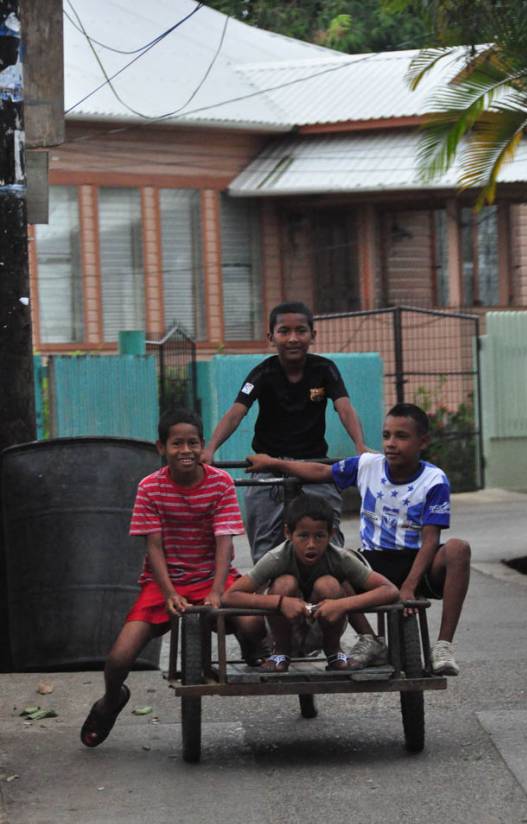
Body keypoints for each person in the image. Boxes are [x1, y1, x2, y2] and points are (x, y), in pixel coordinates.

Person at [80, 407, 264, 748]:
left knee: (253, 625)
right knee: (119, 657)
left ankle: (254, 651)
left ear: (202, 445)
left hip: (213, 575)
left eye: (192, 443)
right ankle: (110, 701)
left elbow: (225, 543)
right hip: (163, 581)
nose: (186, 451)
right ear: (161, 447)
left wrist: (215, 591)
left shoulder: (220, 483)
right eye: (177, 443)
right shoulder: (150, 488)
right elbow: (154, 547)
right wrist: (168, 592)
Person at [246, 403, 471, 676]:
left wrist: (410, 585)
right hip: (373, 559)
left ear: (423, 441)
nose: (391, 443)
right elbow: (321, 473)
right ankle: (369, 638)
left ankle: (443, 646)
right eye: (387, 435)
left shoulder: (434, 479)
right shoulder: (368, 465)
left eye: (401, 436)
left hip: (417, 561)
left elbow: (431, 539)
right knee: (338, 562)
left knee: (459, 549)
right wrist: (274, 463)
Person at [201, 301, 368, 563]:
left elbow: (344, 408)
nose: (293, 338)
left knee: (329, 545)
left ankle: (327, 596)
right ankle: (271, 596)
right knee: (267, 550)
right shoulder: (262, 373)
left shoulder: (325, 370)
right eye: (284, 331)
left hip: (314, 467)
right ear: (270, 337)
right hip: (267, 468)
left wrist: (360, 446)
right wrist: (210, 448)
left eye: (301, 331)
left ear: (313, 335)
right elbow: (236, 412)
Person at [222, 494, 400, 672]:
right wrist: (280, 602)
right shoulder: (277, 557)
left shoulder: (340, 558)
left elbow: (389, 590)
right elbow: (230, 596)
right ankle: (281, 653)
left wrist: (340, 605)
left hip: (322, 628)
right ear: (288, 533)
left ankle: (333, 652)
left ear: (331, 534)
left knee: (329, 584)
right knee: (284, 583)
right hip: (283, 630)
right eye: (303, 536)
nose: (311, 544)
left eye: (319, 536)